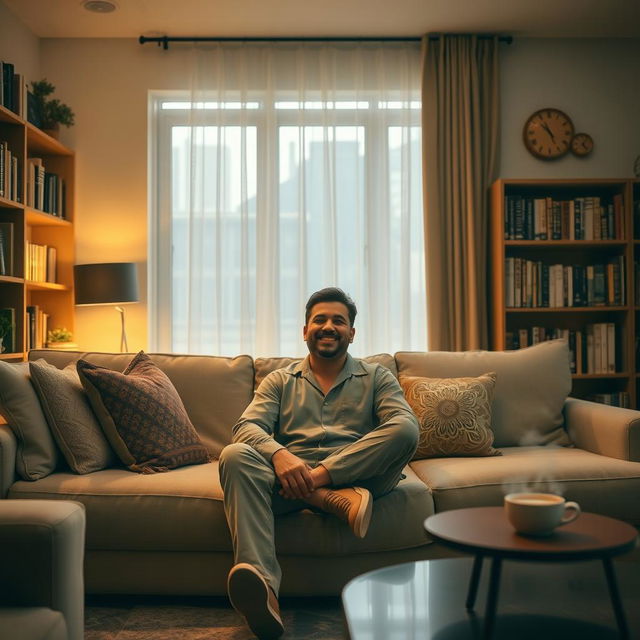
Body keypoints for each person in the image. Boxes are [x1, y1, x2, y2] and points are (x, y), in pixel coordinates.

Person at [219, 287, 419, 639]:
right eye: (319, 319)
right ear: (305, 330)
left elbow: (402, 427)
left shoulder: (377, 377)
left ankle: (316, 488)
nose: (328, 326)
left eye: (338, 321)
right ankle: (264, 591)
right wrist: (280, 455)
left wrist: (320, 474)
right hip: (291, 479)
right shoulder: (279, 380)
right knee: (235, 454)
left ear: (352, 333)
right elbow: (245, 427)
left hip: (364, 479)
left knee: (405, 427)